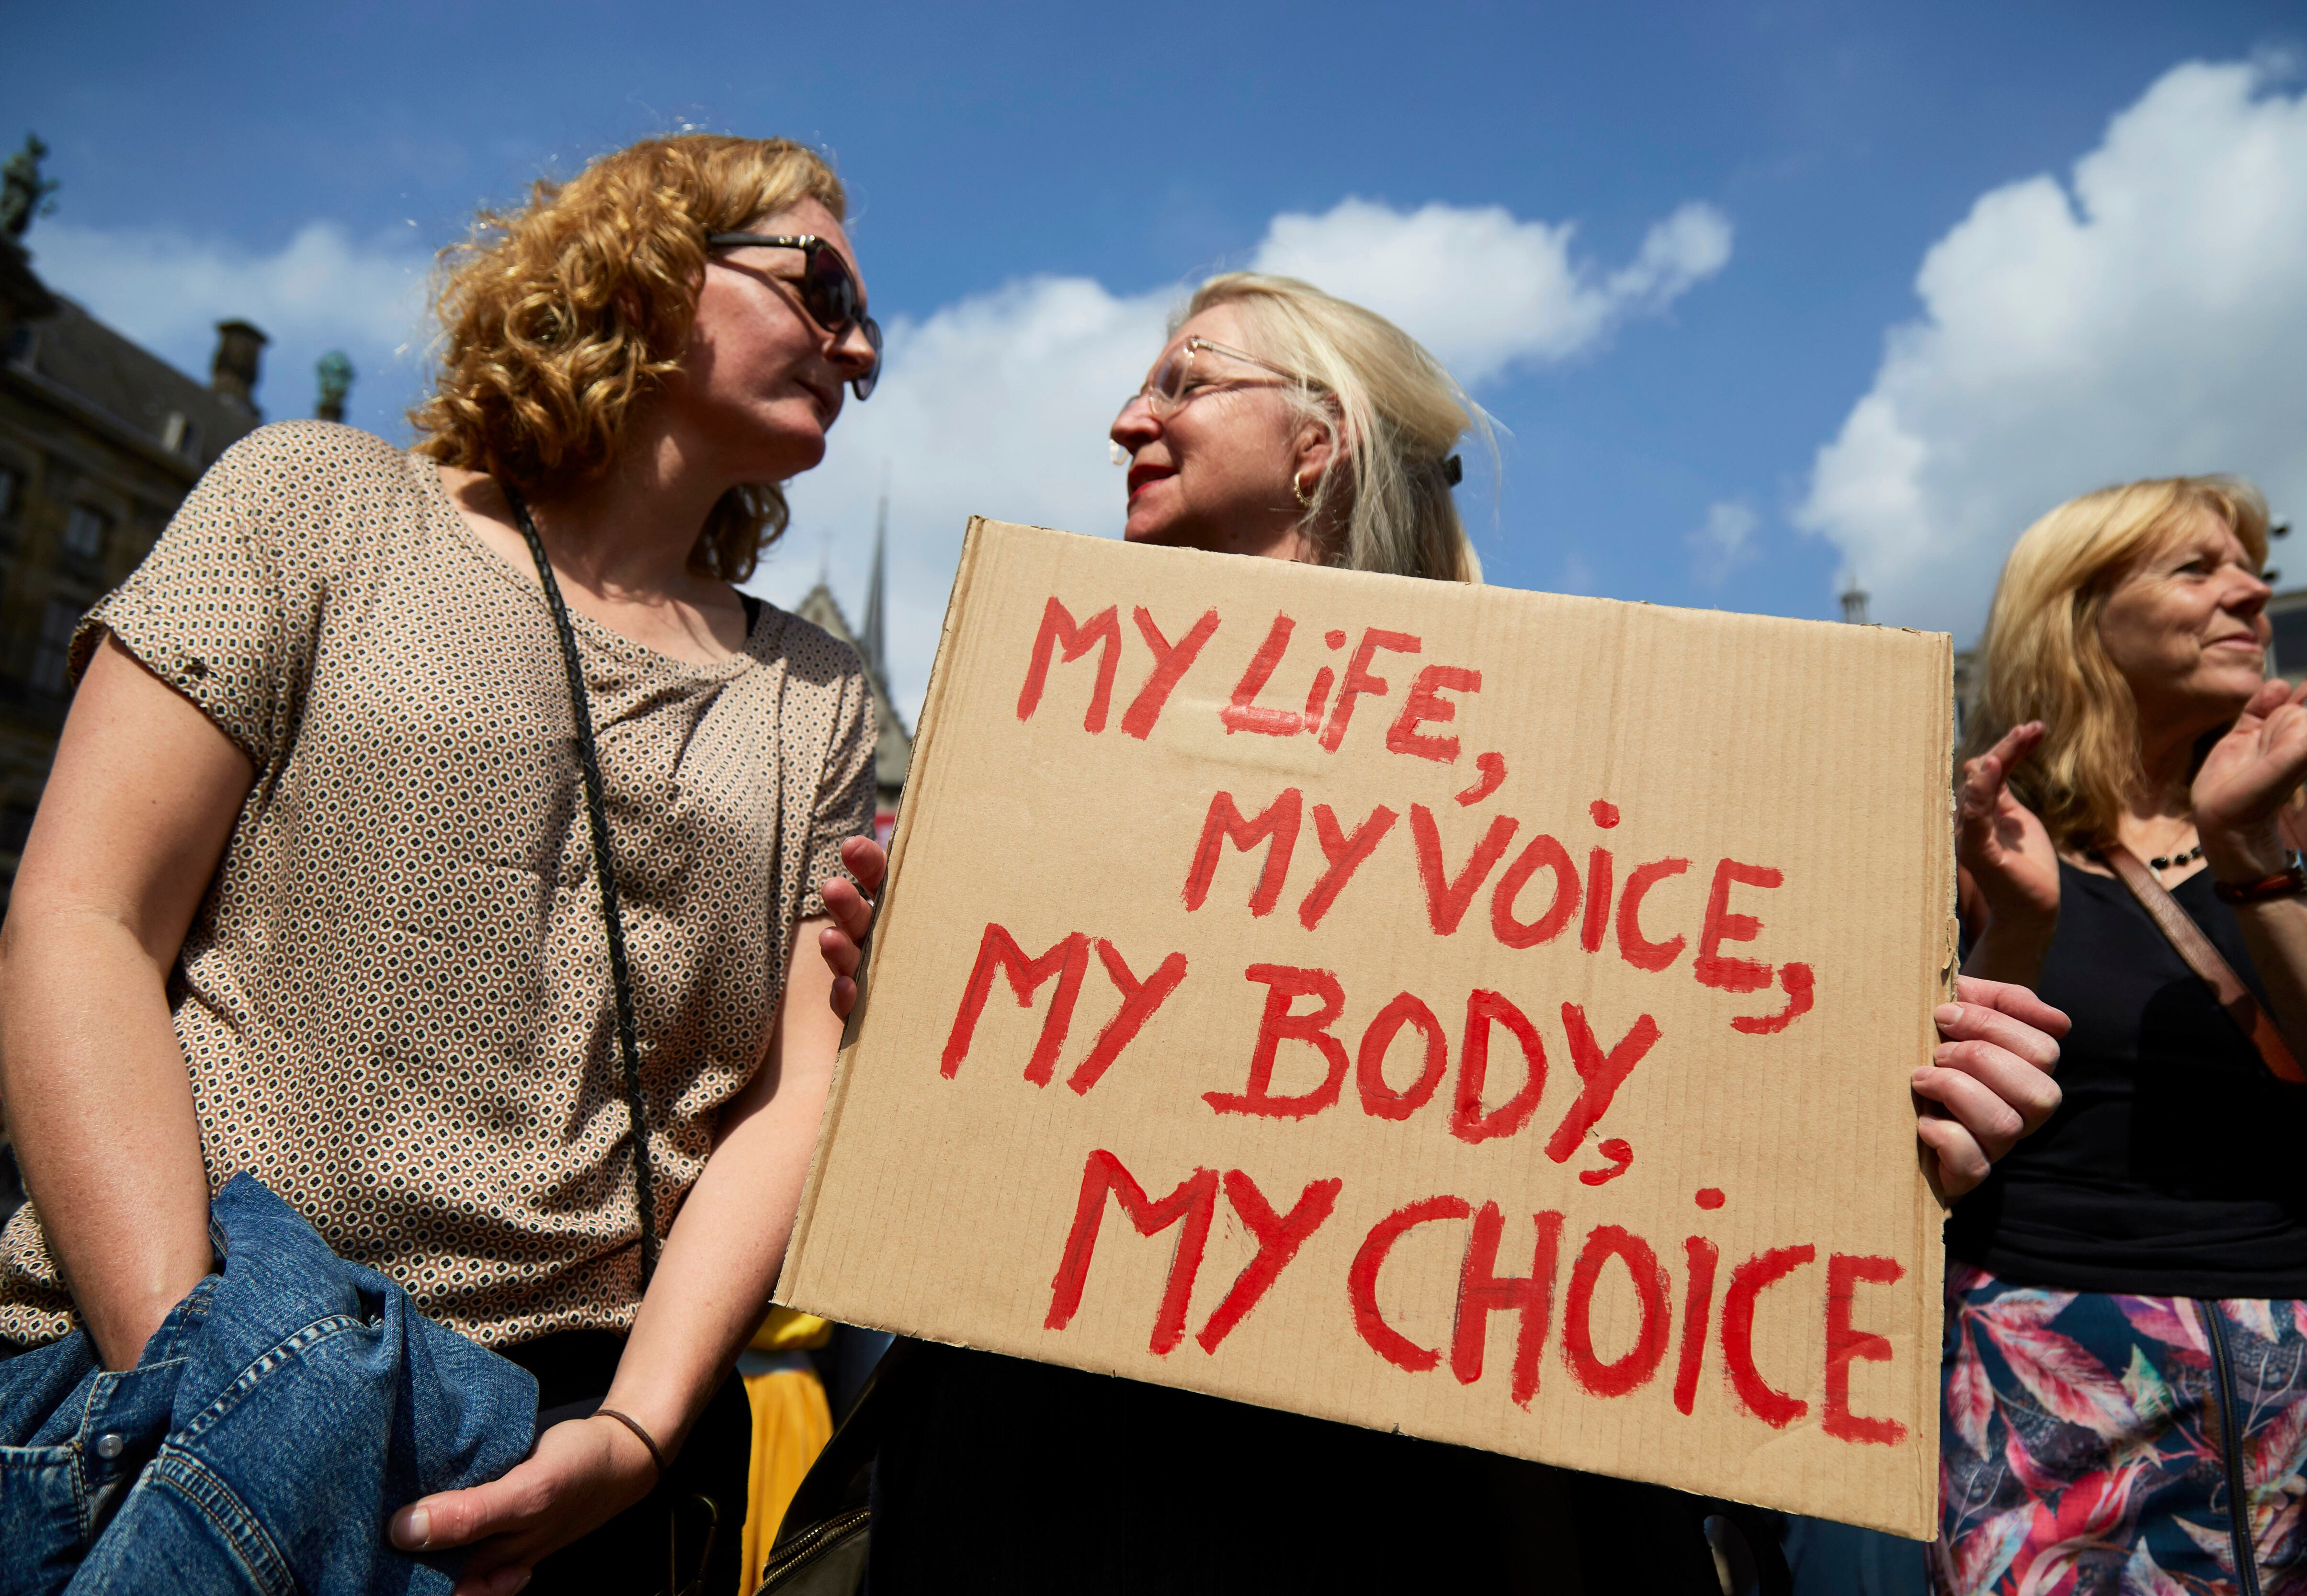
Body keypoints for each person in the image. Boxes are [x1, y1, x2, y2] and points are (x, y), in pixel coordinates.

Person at [808, 272, 2072, 1594]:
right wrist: (903, 996)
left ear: (1319, 445)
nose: (1129, 417)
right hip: (1052, 1450)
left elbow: (1691, 1104)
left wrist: (1898, 1106)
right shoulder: (1047, 736)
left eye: (1184, 380)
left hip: (1399, 1491)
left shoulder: (1572, 775)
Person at [0, 133, 882, 1596]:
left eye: (870, 329)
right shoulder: (316, 501)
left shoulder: (820, 698)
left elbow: (794, 1097)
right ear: (658, 263)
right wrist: (219, 1375)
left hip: (561, 1459)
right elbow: (82, 916)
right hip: (163, 1378)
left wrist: (641, 1432)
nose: (857, 348)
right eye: (826, 284)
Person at [1941, 476, 2307, 1594]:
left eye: (2249, 567)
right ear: (2078, 615)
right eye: (2198, 569)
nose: (2252, 590)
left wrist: (2248, 850)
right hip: (2047, 1380)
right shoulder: (1965, 846)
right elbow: (1930, 1138)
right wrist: (2017, 926)